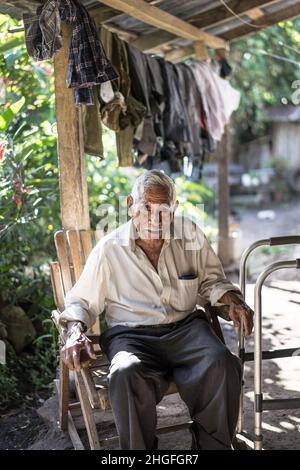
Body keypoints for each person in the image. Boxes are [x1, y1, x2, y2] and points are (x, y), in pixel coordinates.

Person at [59, 169, 253, 450]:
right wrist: (75, 330)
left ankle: (213, 447)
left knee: (221, 363)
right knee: (126, 373)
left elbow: (212, 281)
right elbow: (82, 302)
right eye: (146, 208)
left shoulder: (189, 235)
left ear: (173, 210)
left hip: (187, 329)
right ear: (130, 206)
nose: (154, 218)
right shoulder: (109, 250)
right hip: (131, 336)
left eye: (164, 210)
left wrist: (232, 300)